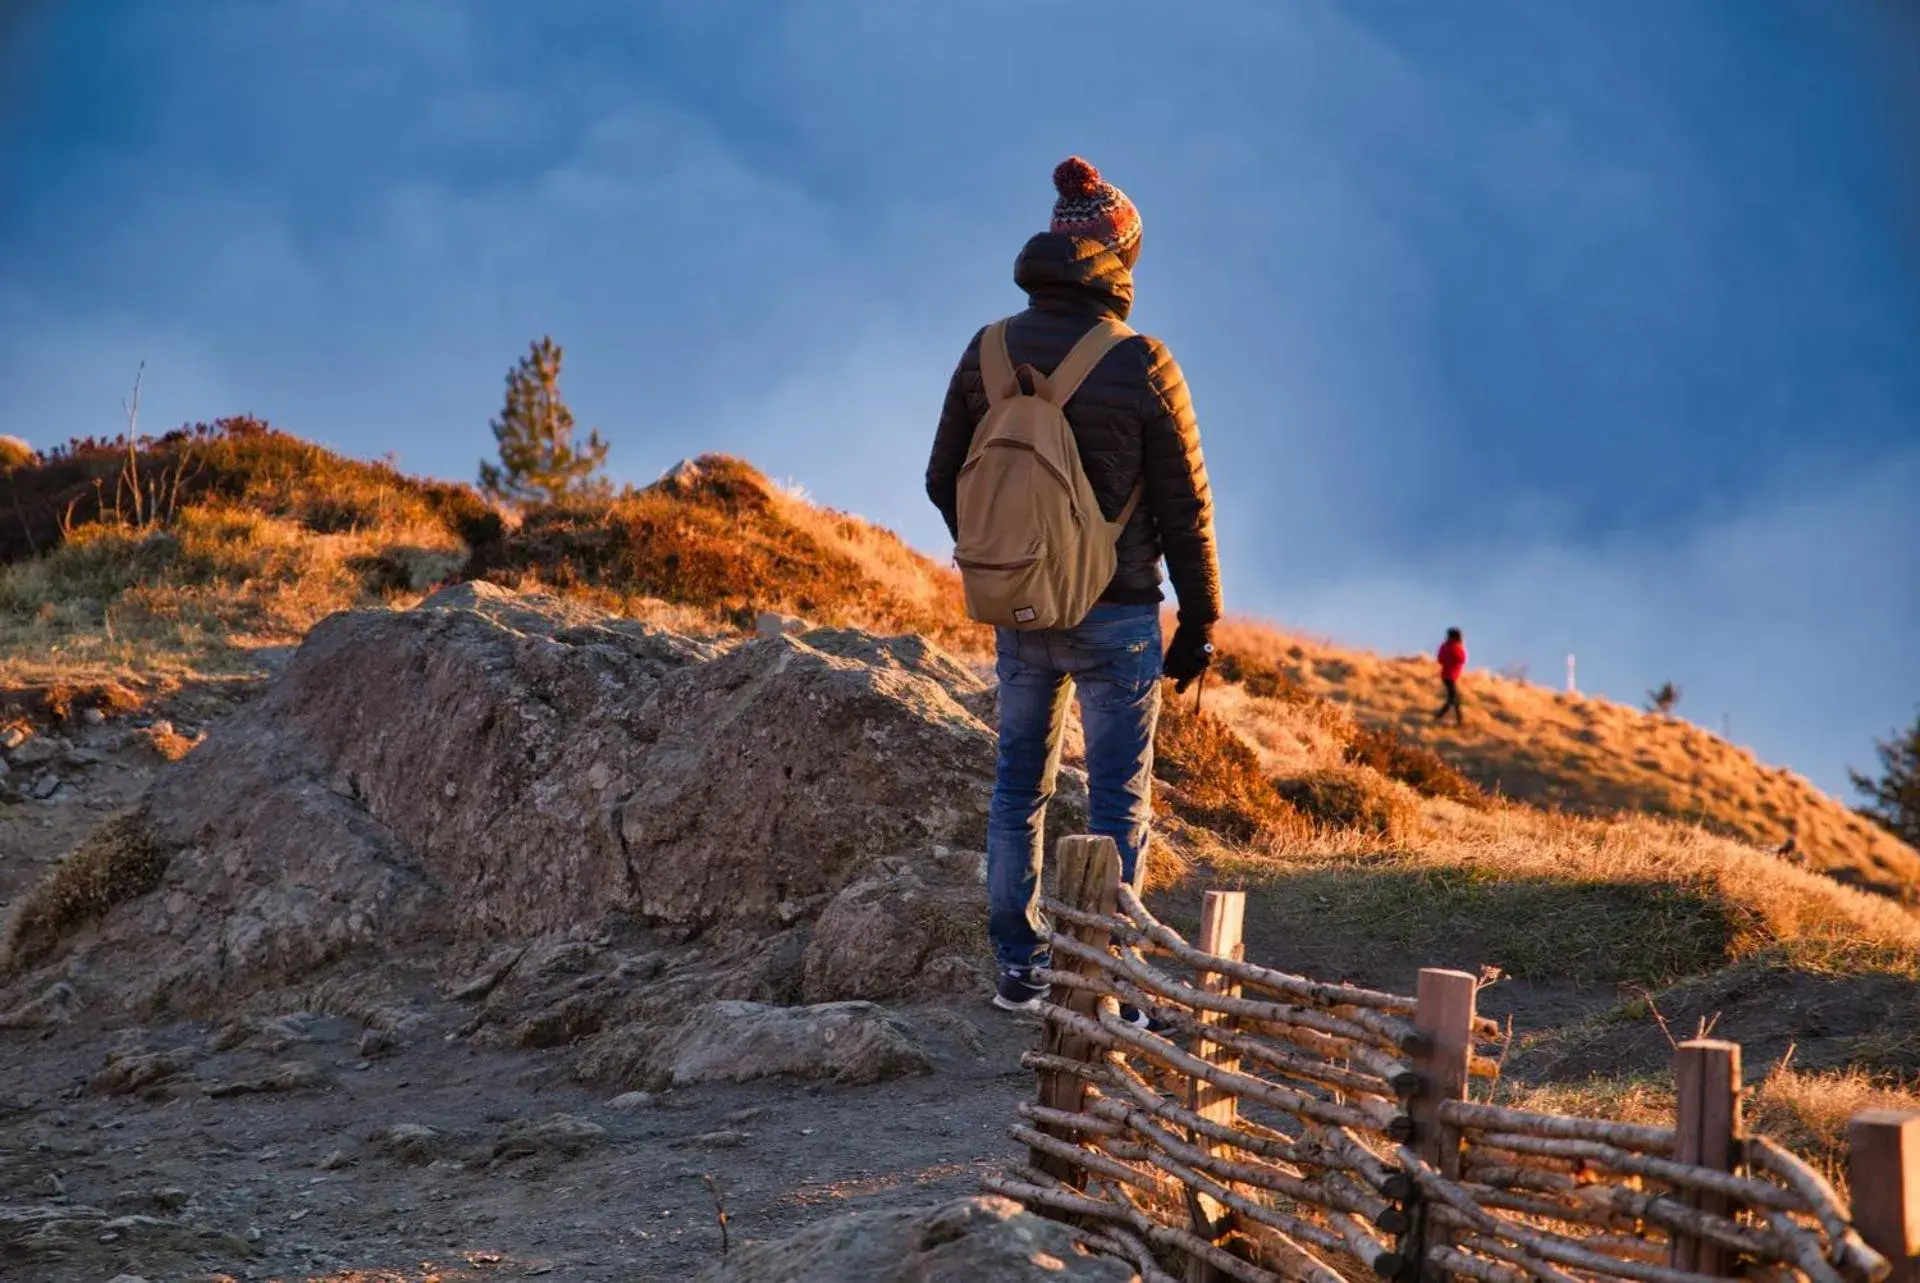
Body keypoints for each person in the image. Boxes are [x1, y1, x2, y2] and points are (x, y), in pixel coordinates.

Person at [926, 157, 1222, 1015]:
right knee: (1116, 800)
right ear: (1117, 258)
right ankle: (1105, 980)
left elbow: (944, 477)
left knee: (1019, 786)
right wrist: (1198, 620)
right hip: (1118, 612)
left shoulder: (986, 349)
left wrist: (1008, 557)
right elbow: (1185, 506)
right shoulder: (1143, 362)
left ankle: (1018, 968)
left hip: (1019, 613)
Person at [1435, 627, 1467, 726]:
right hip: (1451, 676)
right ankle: (1438, 716)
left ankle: (1460, 720)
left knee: (1456, 698)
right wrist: (1461, 647)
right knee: (1452, 699)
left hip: (1445, 675)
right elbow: (1462, 659)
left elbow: (1440, 659)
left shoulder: (1444, 646)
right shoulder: (1456, 647)